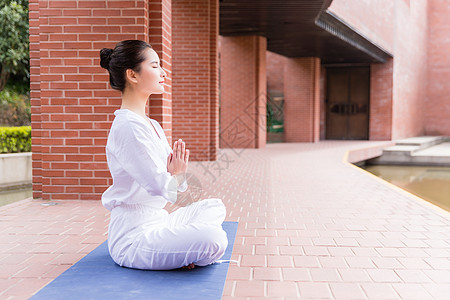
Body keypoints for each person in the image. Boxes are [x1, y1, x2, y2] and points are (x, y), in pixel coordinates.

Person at [99, 40, 228, 270]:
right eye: (155, 65)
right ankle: (184, 251)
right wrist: (177, 175)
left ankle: (181, 250)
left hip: (160, 220)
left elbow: (180, 192)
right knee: (214, 239)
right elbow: (166, 188)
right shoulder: (128, 127)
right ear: (133, 75)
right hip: (134, 237)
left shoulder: (153, 125)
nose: (163, 72)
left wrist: (178, 175)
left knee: (214, 207)